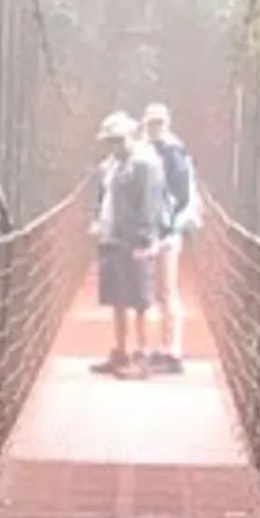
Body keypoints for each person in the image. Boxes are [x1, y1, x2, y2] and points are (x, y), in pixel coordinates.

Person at [89, 112, 165, 374]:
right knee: (117, 298)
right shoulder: (111, 165)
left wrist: (144, 241)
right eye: (110, 141)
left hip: (134, 241)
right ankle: (120, 352)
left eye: (118, 140)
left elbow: (149, 204)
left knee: (140, 300)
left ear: (131, 137)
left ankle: (142, 356)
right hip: (112, 238)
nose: (114, 146)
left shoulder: (145, 164)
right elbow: (104, 198)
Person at [141, 102, 198, 371]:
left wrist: (170, 228)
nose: (154, 127)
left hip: (167, 232)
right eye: (151, 123)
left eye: (159, 123)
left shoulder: (173, 152)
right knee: (155, 290)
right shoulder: (148, 150)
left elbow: (182, 195)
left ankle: (173, 350)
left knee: (166, 289)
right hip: (152, 231)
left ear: (167, 124)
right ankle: (163, 348)